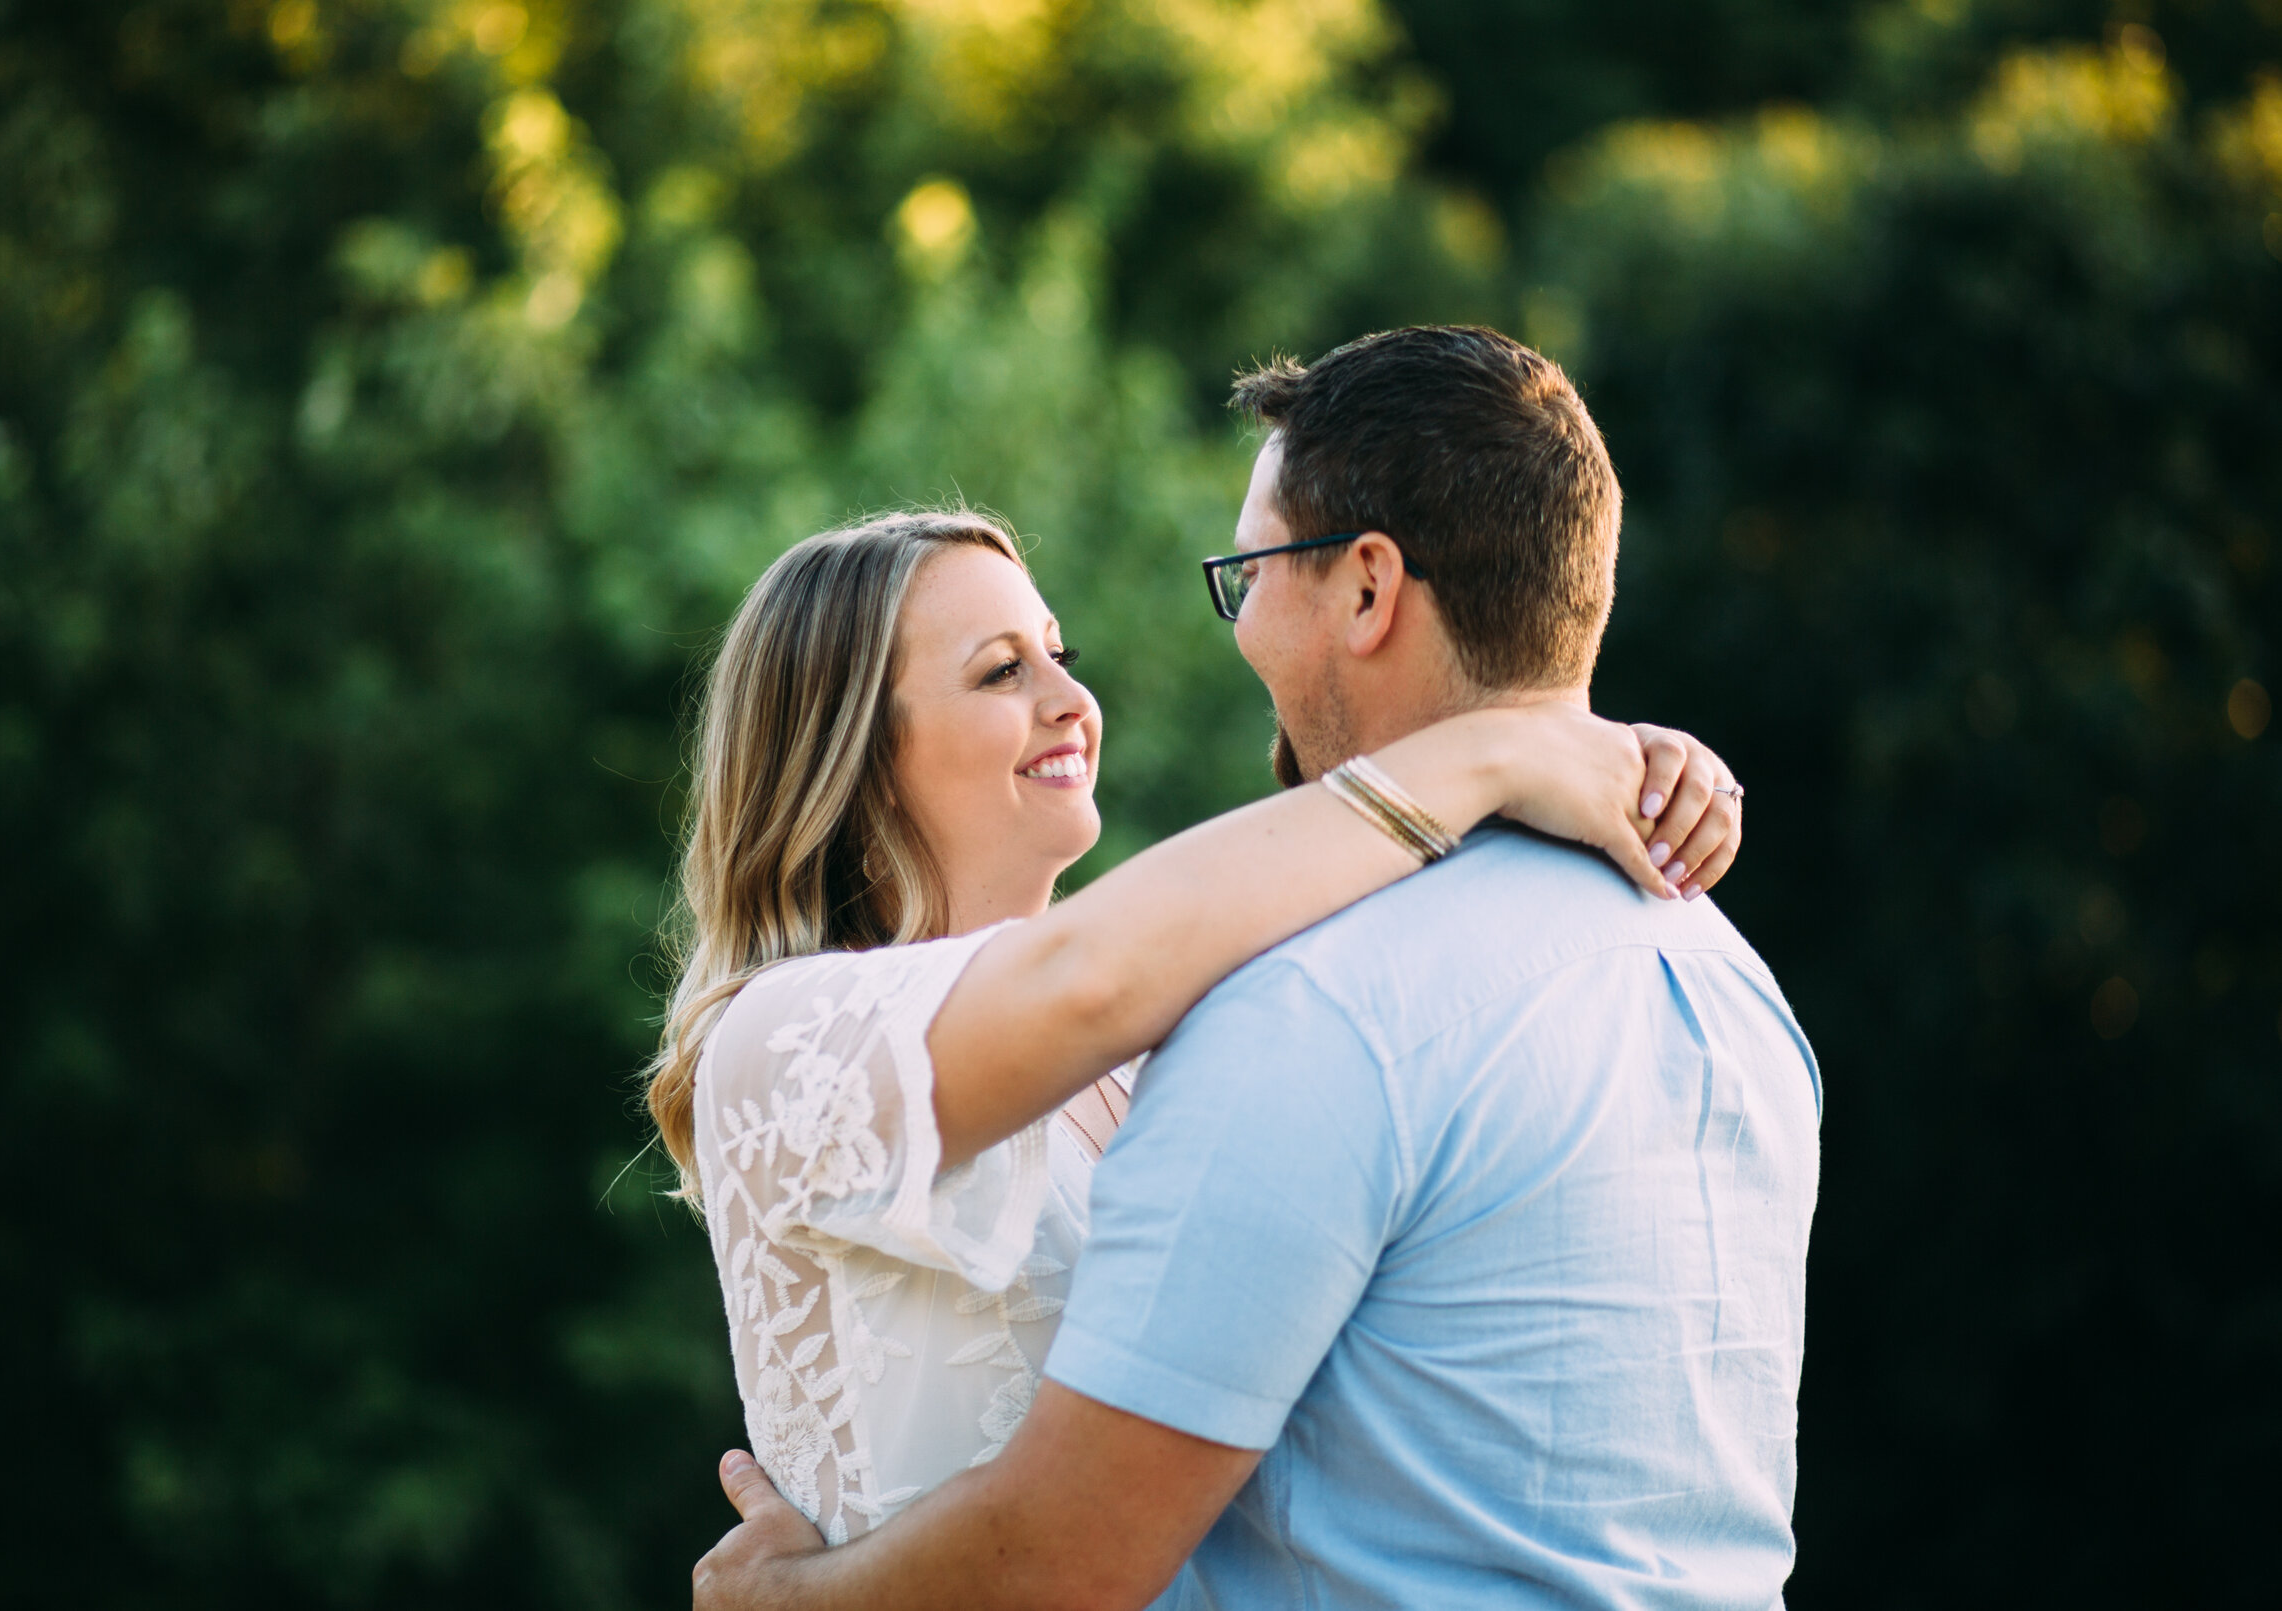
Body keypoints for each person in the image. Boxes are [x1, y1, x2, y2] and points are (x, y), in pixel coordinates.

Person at [689, 326, 1820, 1611]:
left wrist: (1590, 752)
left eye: (1059, 650)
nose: (1074, 697)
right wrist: (1504, 751)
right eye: (1005, 669)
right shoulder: (778, 1040)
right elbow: (1085, 972)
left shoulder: (1232, 1024)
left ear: (1368, 590)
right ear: (851, 750)